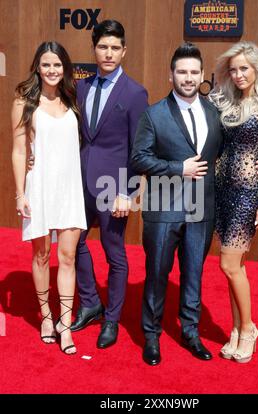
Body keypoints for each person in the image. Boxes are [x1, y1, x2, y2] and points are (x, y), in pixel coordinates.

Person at [130, 43, 224, 365]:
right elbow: (138, 158)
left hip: (201, 210)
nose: (188, 77)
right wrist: (177, 168)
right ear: (170, 75)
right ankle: (152, 336)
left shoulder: (214, 113)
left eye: (194, 72)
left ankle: (190, 332)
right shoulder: (153, 114)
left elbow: (218, 156)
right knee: (157, 274)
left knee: (194, 274)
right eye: (181, 71)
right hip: (163, 209)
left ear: (201, 74)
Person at [70, 20, 148, 349]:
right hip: (78, 182)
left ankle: (112, 319)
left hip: (112, 187)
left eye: (115, 47)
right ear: (94, 49)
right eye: (103, 46)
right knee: (72, 244)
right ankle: (90, 303)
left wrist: (127, 192)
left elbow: (138, 148)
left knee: (114, 254)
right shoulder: (81, 87)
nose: (109, 53)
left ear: (124, 51)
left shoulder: (134, 92)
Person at [209, 41, 258, 363]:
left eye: (244, 68)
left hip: (248, 193)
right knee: (233, 268)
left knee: (228, 263)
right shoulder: (225, 103)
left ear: (257, 69)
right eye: (234, 69)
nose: (238, 75)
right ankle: (237, 329)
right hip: (222, 190)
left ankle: (249, 328)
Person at [11, 41, 87, 355]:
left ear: (65, 68)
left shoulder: (72, 99)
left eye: (57, 65)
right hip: (38, 186)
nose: (52, 70)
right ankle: (46, 317)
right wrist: (19, 193)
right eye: (46, 65)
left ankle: (65, 325)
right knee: (42, 256)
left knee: (67, 258)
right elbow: (18, 151)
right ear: (38, 68)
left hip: (69, 188)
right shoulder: (23, 101)